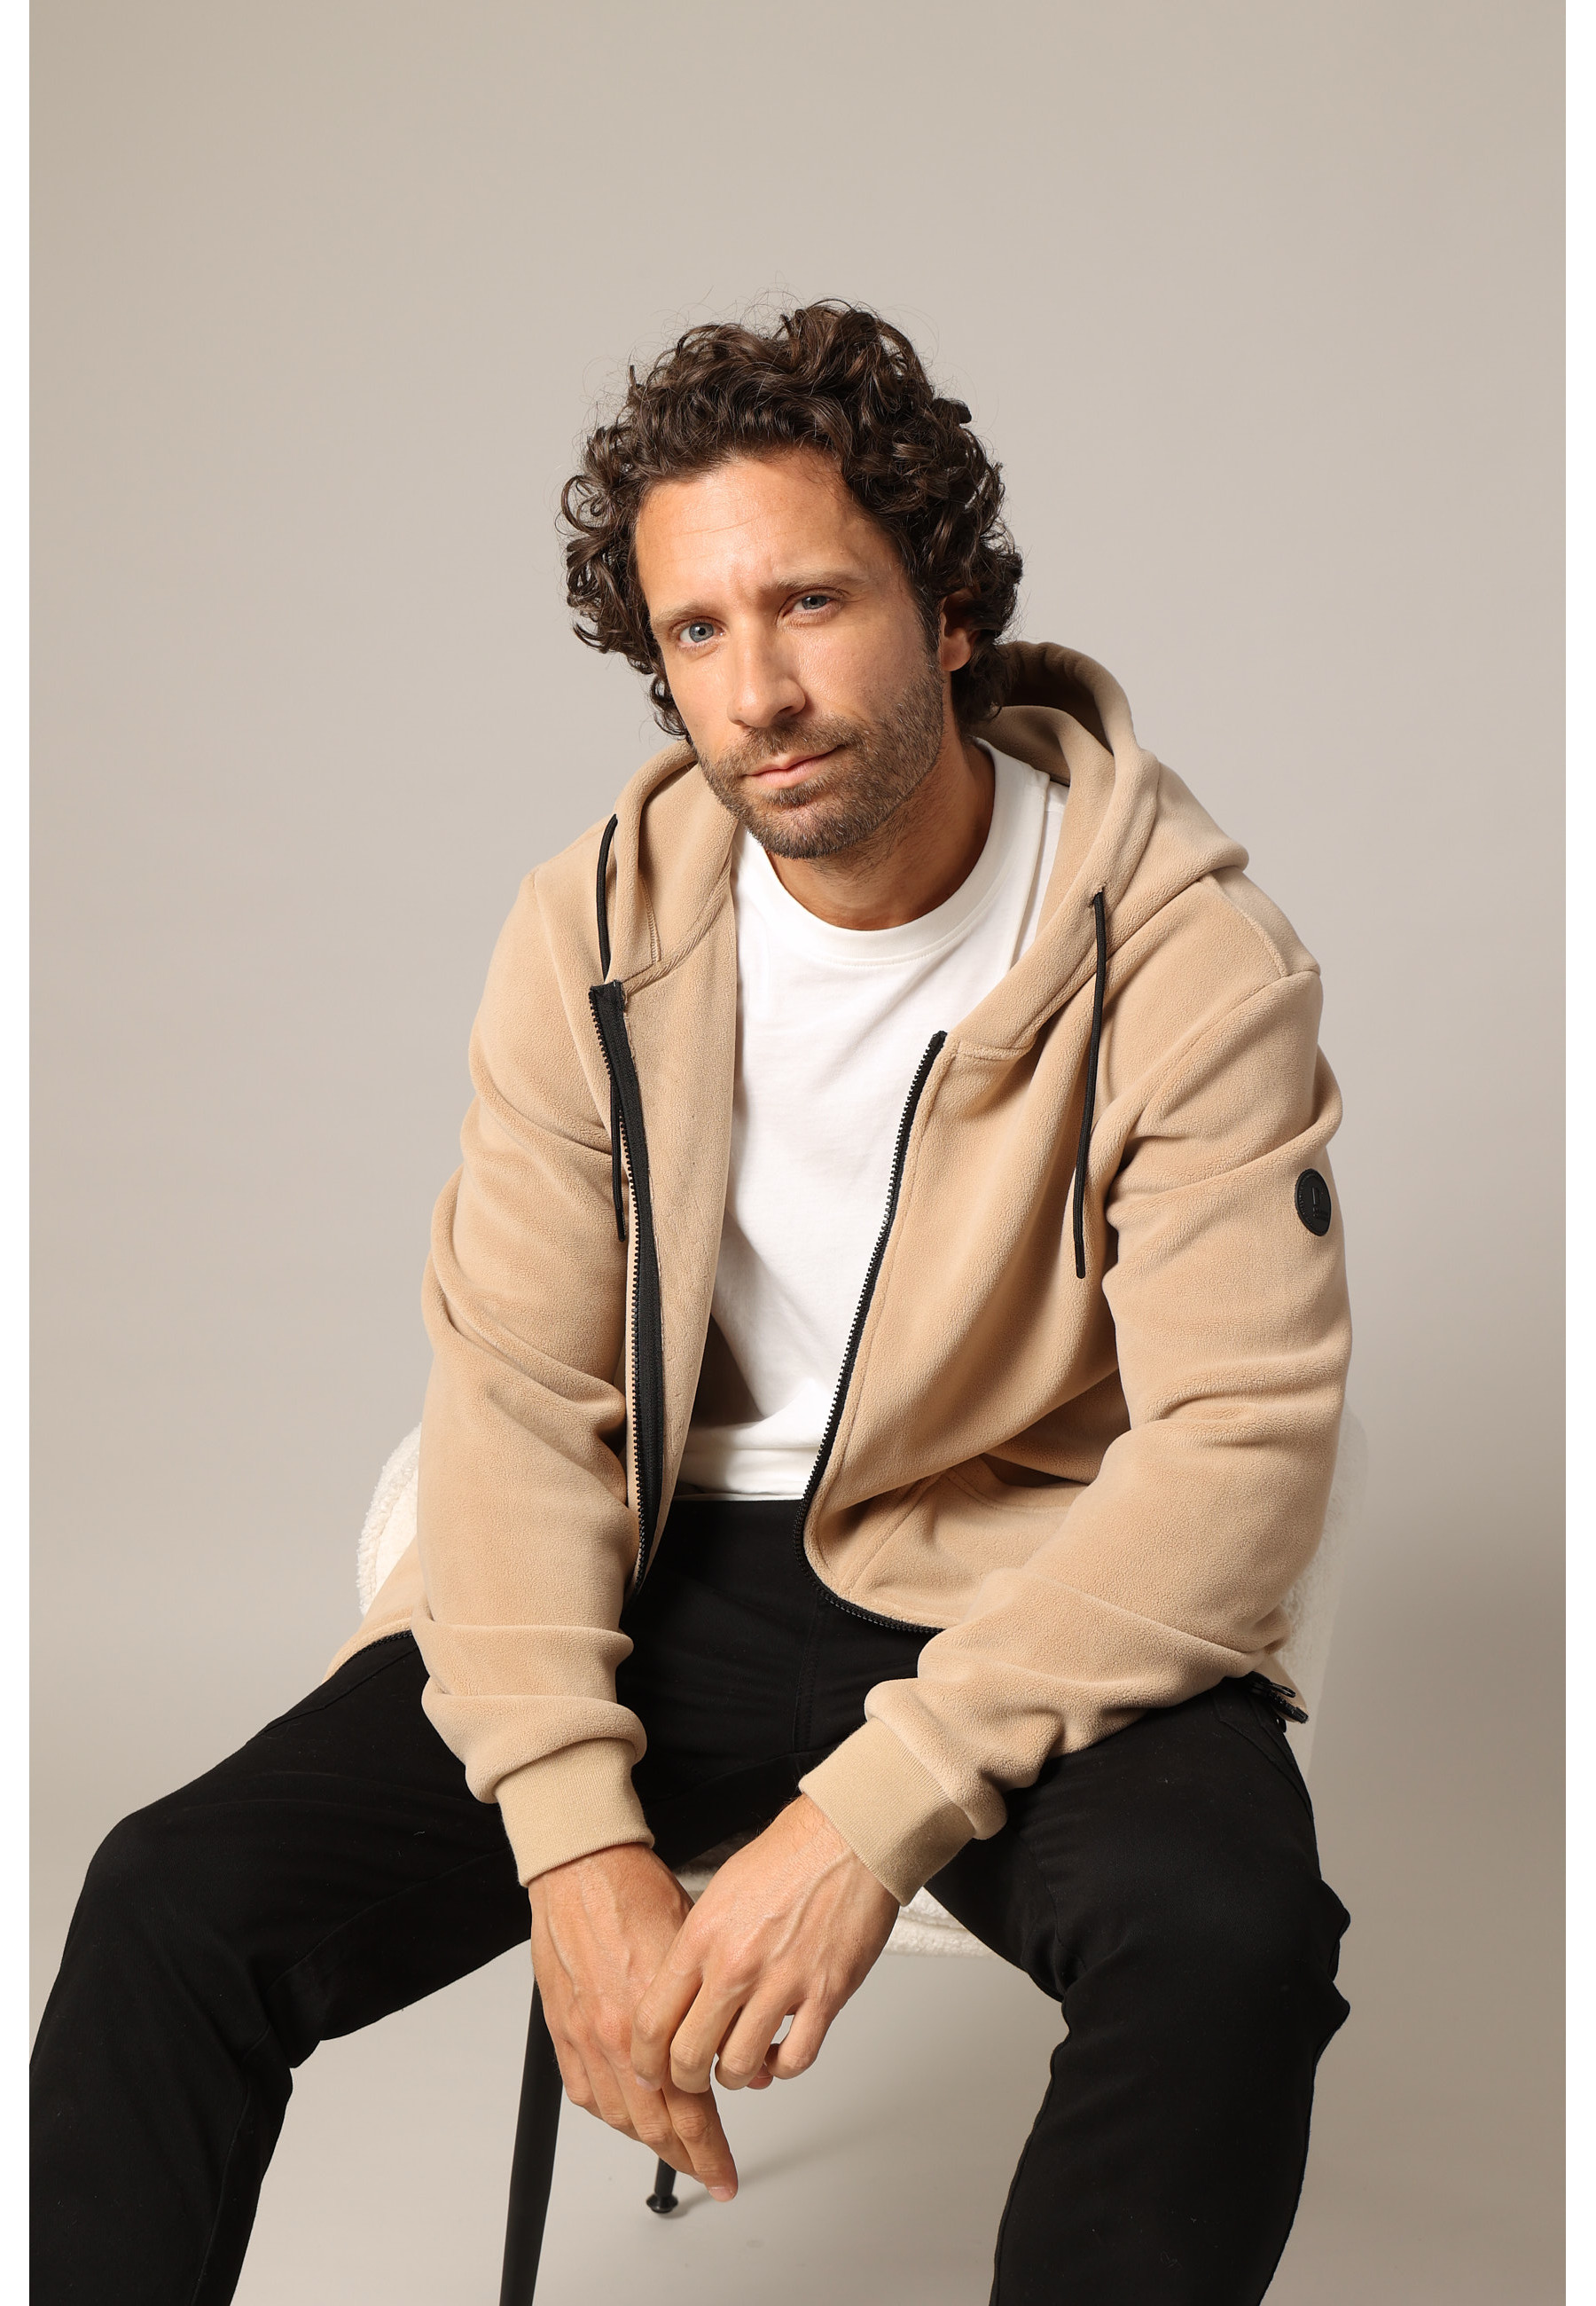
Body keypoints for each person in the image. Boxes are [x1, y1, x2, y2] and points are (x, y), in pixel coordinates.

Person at [33, 301, 1353, 2304]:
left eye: (812, 601)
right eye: (699, 632)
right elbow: (514, 1397)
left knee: (1231, 1941)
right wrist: (575, 1842)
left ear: (952, 606)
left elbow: (1238, 1449)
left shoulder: (1184, 957)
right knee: (167, 1906)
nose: (759, 691)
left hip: (1020, 1573)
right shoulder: (591, 931)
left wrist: (867, 1817)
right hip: (665, 1568)